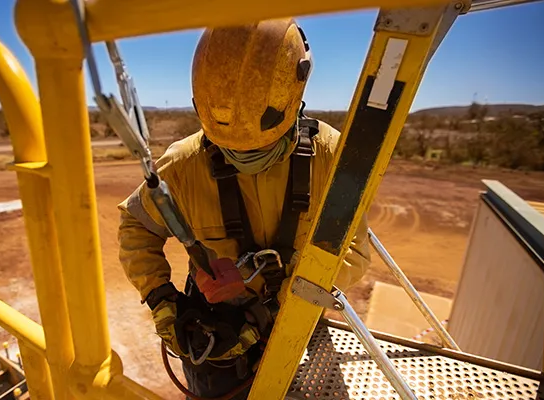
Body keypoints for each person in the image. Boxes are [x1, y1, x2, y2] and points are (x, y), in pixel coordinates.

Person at [117, 18, 371, 399]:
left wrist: (280, 300)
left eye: (255, 148)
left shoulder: (331, 159)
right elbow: (137, 227)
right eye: (228, 149)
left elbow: (354, 252)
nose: (241, 156)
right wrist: (161, 298)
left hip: (297, 320)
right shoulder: (184, 165)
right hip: (215, 328)